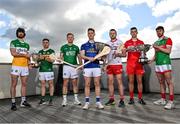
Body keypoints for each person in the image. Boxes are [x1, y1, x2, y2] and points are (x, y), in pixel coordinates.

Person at [150, 26, 175, 109]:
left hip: (165, 63)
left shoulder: (168, 39)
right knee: (161, 82)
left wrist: (158, 47)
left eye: (160, 31)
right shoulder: (156, 42)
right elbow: (156, 55)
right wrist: (151, 60)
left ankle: (171, 102)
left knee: (169, 82)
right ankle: (163, 99)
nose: (158, 32)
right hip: (158, 64)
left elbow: (168, 51)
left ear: (163, 31)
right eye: (157, 31)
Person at [80, 28, 104, 110]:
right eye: (89, 33)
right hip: (87, 67)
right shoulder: (84, 45)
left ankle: (98, 102)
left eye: (92, 33)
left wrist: (99, 58)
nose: (90, 34)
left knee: (97, 83)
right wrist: (89, 58)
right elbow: (82, 55)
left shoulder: (98, 45)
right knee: (87, 84)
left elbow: (101, 57)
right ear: (87, 34)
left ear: (94, 34)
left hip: (96, 66)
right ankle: (87, 103)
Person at [10, 27, 31, 111]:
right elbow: (13, 53)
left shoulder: (27, 45)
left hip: (25, 66)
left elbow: (28, 56)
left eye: (22, 32)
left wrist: (29, 64)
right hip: (16, 66)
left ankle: (23, 102)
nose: (20, 33)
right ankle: (13, 103)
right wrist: (24, 55)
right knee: (14, 84)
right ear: (17, 33)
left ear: (24, 34)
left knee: (24, 84)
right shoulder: (13, 42)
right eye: (19, 32)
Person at [124, 27, 146, 105]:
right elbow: (123, 53)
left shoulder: (141, 42)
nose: (133, 33)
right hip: (130, 64)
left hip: (139, 64)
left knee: (140, 81)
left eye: (135, 32)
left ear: (137, 32)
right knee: (131, 81)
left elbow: (144, 54)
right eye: (132, 32)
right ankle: (131, 98)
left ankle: (140, 98)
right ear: (130, 33)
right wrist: (126, 49)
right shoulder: (127, 42)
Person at [104, 29, 125, 107]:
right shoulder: (107, 43)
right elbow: (105, 56)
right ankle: (111, 99)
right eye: (111, 33)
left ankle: (122, 100)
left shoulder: (120, 42)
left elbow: (124, 54)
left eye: (113, 33)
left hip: (117, 64)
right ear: (109, 34)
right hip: (109, 65)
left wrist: (118, 54)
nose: (112, 34)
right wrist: (104, 65)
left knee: (119, 82)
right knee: (110, 82)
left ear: (116, 34)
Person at [60, 33, 82, 107]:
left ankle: (76, 99)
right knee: (65, 83)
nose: (70, 38)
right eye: (69, 37)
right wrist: (61, 60)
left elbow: (79, 57)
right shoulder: (63, 47)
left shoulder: (76, 47)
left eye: (71, 37)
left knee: (74, 83)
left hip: (74, 67)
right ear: (67, 38)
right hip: (66, 67)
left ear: (73, 38)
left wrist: (80, 64)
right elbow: (61, 57)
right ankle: (64, 100)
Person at [38, 38, 55, 105]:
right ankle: (42, 99)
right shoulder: (40, 52)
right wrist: (37, 62)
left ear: (49, 43)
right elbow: (38, 61)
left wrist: (44, 58)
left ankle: (51, 100)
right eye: (44, 42)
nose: (45, 43)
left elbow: (52, 60)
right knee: (43, 85)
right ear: (42, 43)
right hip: (41, 70)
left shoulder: (51, 51)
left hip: (49, 70)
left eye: (46, 42)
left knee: (51, 84)